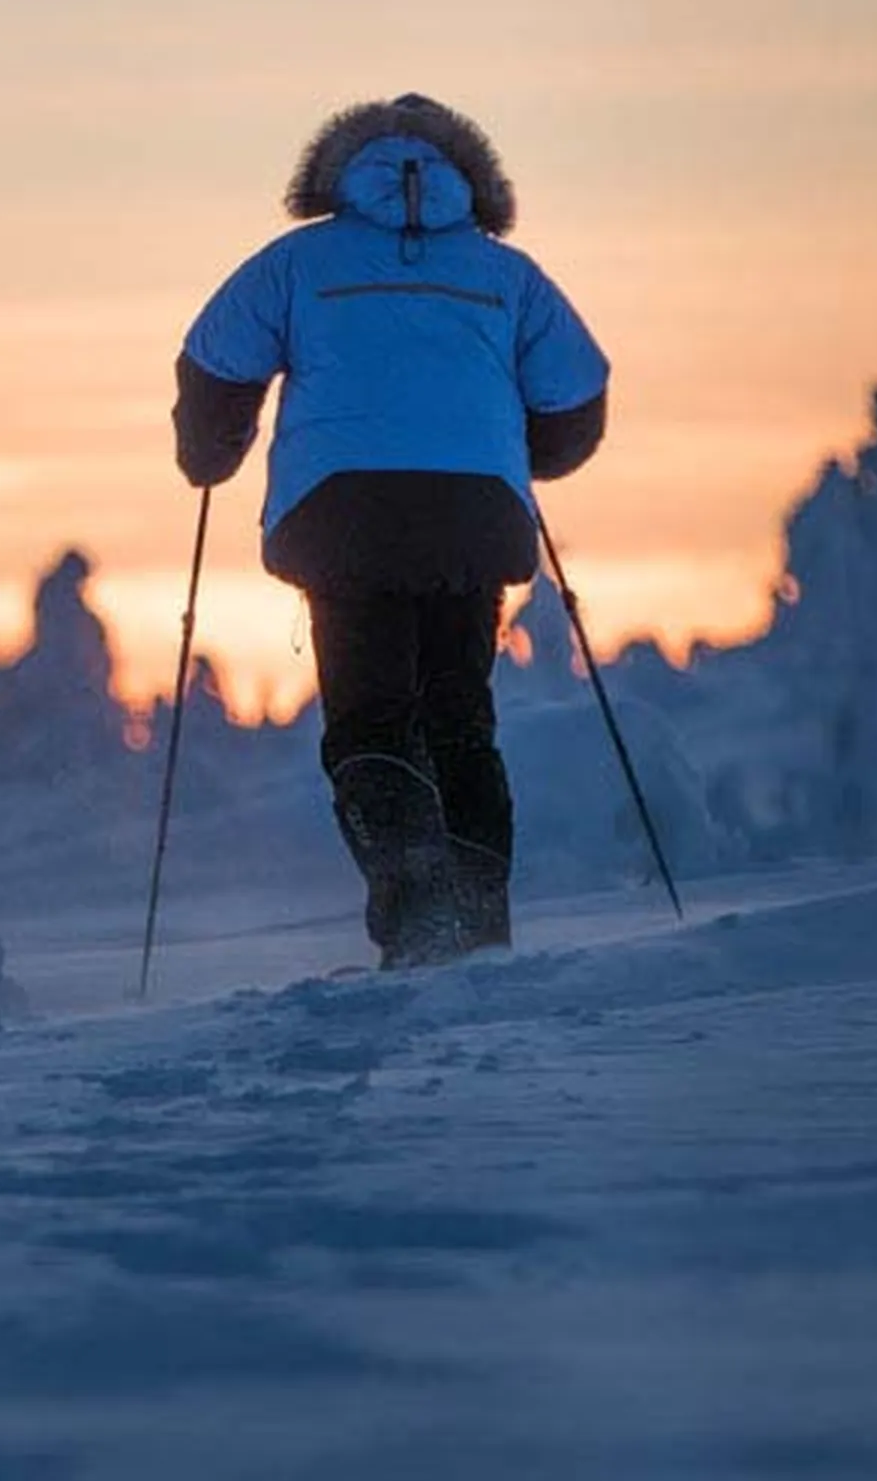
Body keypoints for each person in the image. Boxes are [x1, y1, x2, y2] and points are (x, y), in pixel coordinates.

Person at [173, 95, 609, 965]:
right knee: (460, 718)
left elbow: (215, 363)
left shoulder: (296, 262)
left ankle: (416, 914)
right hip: (475, 515)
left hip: (344, 516)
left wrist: (210, 454)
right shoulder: (508, 274)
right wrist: (528, 455)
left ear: (337, 172)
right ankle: (478, 921)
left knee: (371, 720)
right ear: (468, 179)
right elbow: (576, 395)